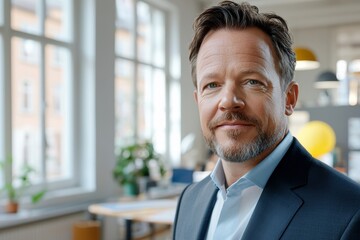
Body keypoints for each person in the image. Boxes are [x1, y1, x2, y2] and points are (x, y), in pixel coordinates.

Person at [173, 1, 360, 239]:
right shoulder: (188, 200)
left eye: (252, 81)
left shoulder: (351, 212)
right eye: (212, 85)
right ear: (198, 100)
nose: (229, 101)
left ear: (289, 99)